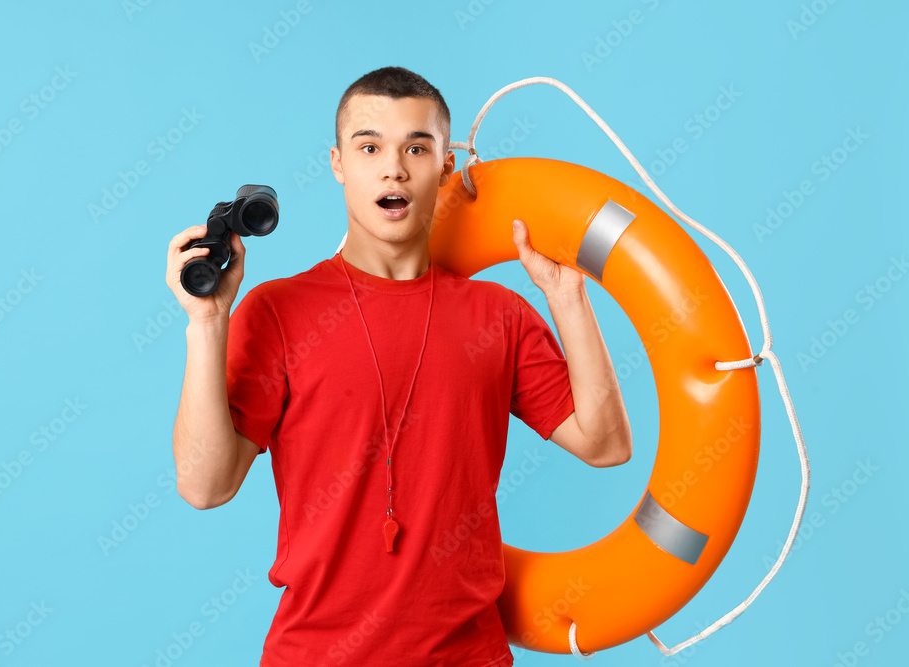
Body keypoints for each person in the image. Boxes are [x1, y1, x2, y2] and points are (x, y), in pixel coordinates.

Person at [166, 66, 632, 667]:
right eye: (369, 147)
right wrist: (207, 323)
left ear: (444, 167)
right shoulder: (278, 310)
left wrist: (569, 299)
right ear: (338, 164)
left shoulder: (500, 314)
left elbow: (606, 444)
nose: (394, 168)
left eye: (417, 147)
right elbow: (205, 486)